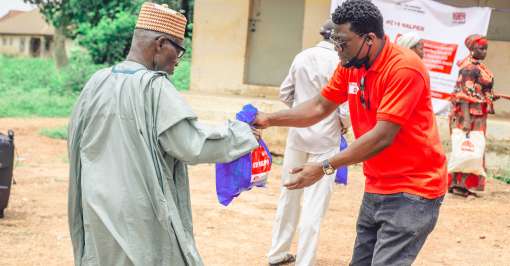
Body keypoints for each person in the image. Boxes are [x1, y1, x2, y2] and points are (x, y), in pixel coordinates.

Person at [254, 1, 447, 265]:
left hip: (413, 191)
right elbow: (321, 105)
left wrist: (324, 166)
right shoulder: (351, 65)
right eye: (335, 41)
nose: (337, 49)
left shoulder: (404, 69)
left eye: (342, 42)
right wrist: (268, 119)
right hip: (377, 184)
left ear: (369, 39)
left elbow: (382, 136)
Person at [67, 3, 259, 265]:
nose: (177, 61)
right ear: (160, 43)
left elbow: (77, 144)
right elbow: (191, 145)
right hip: (139, 213)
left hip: (96, 207)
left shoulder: (96, 82)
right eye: (177, 50)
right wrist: (243, 134)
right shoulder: (154, 87)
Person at [267, 19, 349, 266]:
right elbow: (344, 108)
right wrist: (341, 126)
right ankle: (305, 261)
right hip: (326, 138)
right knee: (315, 202)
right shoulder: (341, 62)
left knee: (288, 194)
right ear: (338, 38)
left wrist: (299, 113)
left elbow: (285, 93)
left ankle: (278, 253)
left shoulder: (302, 56)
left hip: (297, 134)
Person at [448, 34, 498, 197]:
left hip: (478, 112)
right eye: (480, 48)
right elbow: (463, 95)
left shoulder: (478, 66)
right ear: (471, 49)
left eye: (485, 49)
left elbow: (479, 90)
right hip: (468, 114)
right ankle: (459, 186)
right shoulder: (469, 68)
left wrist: (489, 97)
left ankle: (465, 185)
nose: (484, 52)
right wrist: (467, 121)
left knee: (474, 147)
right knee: (466, 146)